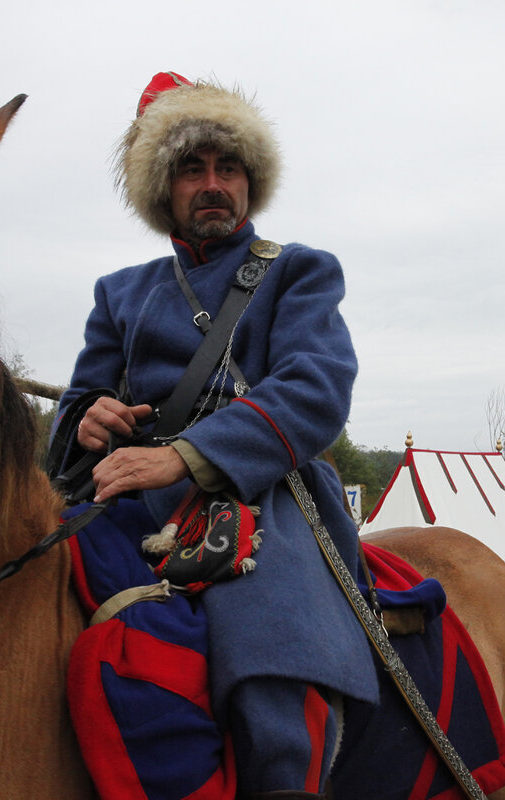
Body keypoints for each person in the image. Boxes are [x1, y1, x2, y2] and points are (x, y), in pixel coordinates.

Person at [50, 72, 377, 799]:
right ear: (162, 187)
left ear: (249, 181)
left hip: (263, 494)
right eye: (192, 169)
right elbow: (75, 409)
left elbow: (317, 390)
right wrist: (88, 421)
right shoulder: (121, 293)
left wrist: (183, 457)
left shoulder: (296, 272)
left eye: (228, 168)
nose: (212, 184)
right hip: (127, 498)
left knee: (269, 675)